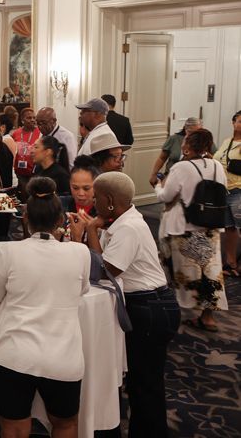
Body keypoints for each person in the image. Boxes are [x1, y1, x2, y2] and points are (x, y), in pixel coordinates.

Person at [0, 177, 91, 438]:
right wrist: (76, 241)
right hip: (63, 356)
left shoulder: (9, 252)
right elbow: (82, 290)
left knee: (15, 426)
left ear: (25, 218)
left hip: (13, 353)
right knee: (64, 424)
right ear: (61, 219)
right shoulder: (80, 253)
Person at [69, 172, 180, 437]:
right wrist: (95, 229)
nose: (91, 201)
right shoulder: (119, 220)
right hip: (144, 305)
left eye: (95, 196)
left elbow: (105, 270)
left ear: (108, 200)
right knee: (140, 383)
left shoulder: (129, 227)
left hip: (151, 308)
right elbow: (103, 262)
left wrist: (89, 231)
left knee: (146, 385)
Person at [155, 129, 227, 332]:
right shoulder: (216, 166)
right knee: (210, 271)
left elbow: (166, 196)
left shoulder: (181, 167)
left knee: (181, 272)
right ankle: (208, 317)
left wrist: (159, 187)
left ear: (187, 146)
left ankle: (175, 313)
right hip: (210, 225)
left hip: (183, 227)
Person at [214, 110, 241, 276]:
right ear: (233, 123)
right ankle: (230, 263)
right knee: (229, 228)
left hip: (239, 189)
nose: (240, 125)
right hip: (224, 189)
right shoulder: (227, 141)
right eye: (238, 121)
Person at [149, 117, 203, 187]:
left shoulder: (204, 141)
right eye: (190, 132)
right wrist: (154, 174)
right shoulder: (174, 139)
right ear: (185, 129)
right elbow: (162, 158)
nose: (194, 135)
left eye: (197, 132)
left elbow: (213, 157)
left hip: (194, 181)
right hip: (171, 179)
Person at [11, 107, 41, 183]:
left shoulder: (40, 133)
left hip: (34, 173)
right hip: (19, 173)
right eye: (29, 118)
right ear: (22, 120)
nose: (32, 120)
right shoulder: (15, 133)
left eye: (34, 118)